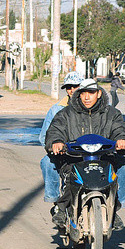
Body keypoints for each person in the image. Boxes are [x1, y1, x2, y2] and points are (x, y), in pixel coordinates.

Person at [45, 78, 125, 230]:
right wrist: (57, 142)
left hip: (105, 158)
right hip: (75, 158)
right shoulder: (66, 114)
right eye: (83, 93)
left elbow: (121, 129)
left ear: (98, 94)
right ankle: (61, 208)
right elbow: (55, 130)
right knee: (70, 179)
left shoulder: (112, 113)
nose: (87, 97)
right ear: (78, 95)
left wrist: (122, 140)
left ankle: (115, 209)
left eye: (91, 93)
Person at [39, 71, 82, 207]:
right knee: (47, 162)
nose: (72, 90)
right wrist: (56, 146)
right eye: (69, 87)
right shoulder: (56, 109)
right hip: (66, 153)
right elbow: (44, 136)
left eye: (75, 86)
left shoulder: (93, 107)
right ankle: (56, 202)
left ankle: (114, 207)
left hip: (90, 153)